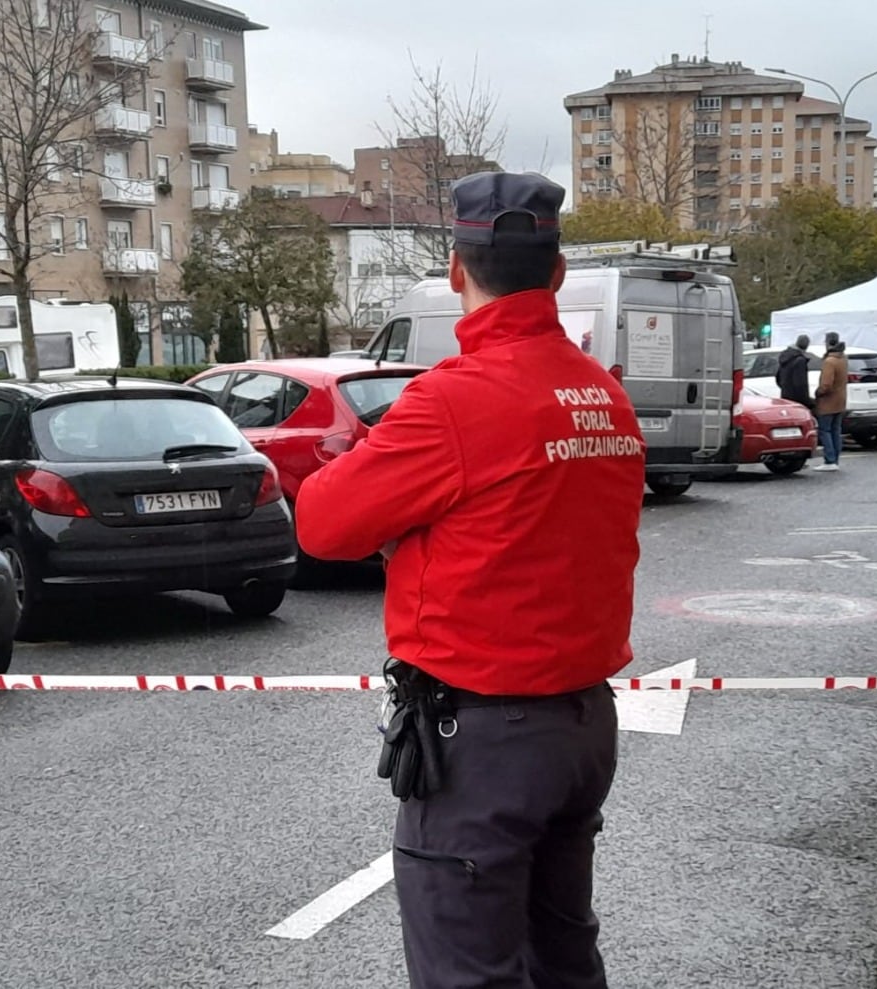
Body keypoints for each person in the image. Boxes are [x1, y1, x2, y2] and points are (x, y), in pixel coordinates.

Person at [294, 171, 644, 989]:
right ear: (556, 273)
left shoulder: (451, 401)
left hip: (485, 744)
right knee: (562, 956)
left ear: (458, 270)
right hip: (583, 723)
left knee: (469, 973)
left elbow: (322, 525)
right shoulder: (603, 393)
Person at [812, 332, 847, 471]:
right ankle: (835, 459)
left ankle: (829, 459)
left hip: (828, 401)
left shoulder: (829, 361)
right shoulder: (843, 358)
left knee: (825, 430)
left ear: (827, 342)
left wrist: (818, 392)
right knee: (835, 431)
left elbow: (826, 384)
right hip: (840, 400)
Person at [774, 334, 814, 410]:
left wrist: (786, 388)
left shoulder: (785, 357)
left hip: (785, 397)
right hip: (797, 401)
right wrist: (807, 401)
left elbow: (778, 378)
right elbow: (801, 384)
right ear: (806, 346)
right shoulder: (800, 361)